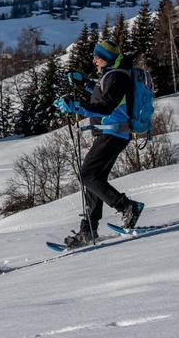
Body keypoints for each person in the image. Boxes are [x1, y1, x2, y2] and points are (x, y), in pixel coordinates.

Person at [55, 39, 146, 248]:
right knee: (93, 179)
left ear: (105, 58)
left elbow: (105, 107)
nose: (93, 59)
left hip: (113, 133)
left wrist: (76, 107)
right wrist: (84, 82)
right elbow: (102, 95)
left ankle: (127, 207)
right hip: (111, 133)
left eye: (97, 56)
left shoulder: (117, 77)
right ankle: (89, 228)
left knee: (87, 175)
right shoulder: (112, 75)